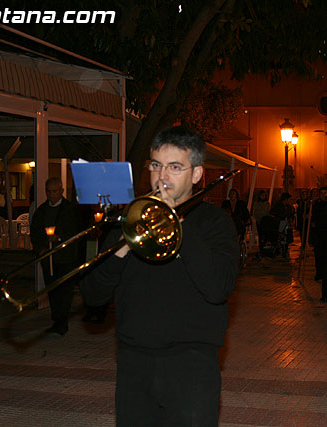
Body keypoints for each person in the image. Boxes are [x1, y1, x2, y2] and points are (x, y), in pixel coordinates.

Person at [81, 126, 239, 426]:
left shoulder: (215, 224)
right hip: (133, 360)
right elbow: (93, 294)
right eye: (156, 165)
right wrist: (123, 247)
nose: (161, 176)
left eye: (174, 167)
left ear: (196, 175)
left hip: (192, 363)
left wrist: (179, 227)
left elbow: (219, 288)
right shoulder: (131, 219)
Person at [30, 177, 81, 336]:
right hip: (49, 257)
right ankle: (56, 319)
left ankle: (62, 321)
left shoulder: (69, 209)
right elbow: (35, 232)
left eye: (54, 191)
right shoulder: (42, 211)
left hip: (65, 257)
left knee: (65, 290)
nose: (51, 195)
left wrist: (59, 237)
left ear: (61, 191)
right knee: (52, 289)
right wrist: (40, 248)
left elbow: (74, 230)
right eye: (49, 192)